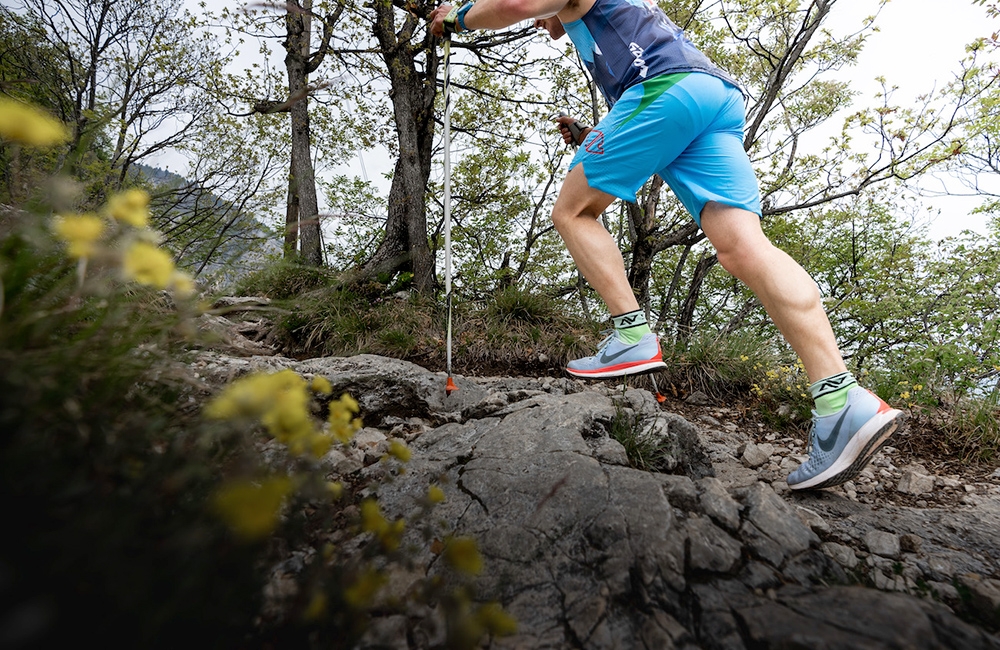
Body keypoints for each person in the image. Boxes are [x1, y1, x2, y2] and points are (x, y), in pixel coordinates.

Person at [429, 0, 905, 490]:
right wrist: (597, 136)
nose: (541, 25)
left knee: (572, 212)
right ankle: (840, 399)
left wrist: (458, 16)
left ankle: (631, 336)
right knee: (743, 247)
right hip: (710, 95)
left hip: (663, 87)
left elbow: (515, 4)